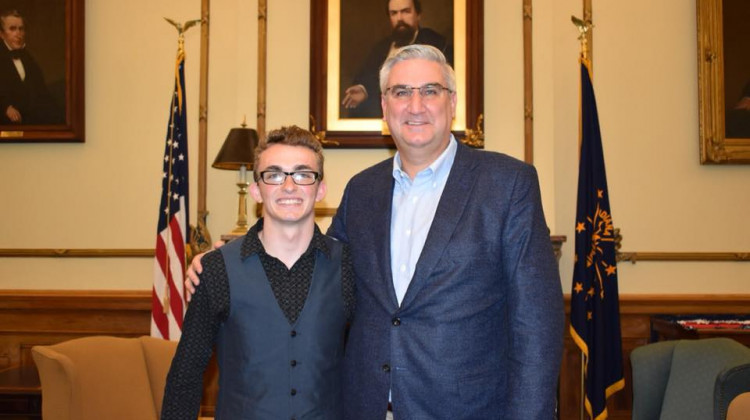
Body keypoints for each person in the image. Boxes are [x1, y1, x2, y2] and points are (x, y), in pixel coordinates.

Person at [188, 45, 563, 419]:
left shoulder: (508, 184)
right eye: (401, 92)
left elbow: (537, 326)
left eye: (430, 91)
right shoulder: (363, 190)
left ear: (452, 103)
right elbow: (314, 265)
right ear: (385, 108)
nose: (415, 106)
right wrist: (229, 260)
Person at [162, 125, 355, 419]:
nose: (289, 186)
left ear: (320, 189)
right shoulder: (216, 269)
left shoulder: (350, 266)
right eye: (274, 175)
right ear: (256, 190)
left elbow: (371, 358)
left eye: (303, 174)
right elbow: (185, 375)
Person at [341, 0, 453, 118]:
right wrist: (364, 89)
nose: (399, 18)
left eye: (405, 12)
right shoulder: (381, 48)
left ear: (418, 15)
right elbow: (369, 77)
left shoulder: (437, 44)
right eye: (394, 13)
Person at [0, 9, 61, 125]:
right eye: (12, 29)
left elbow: (41, 91)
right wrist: (5, 108)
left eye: (21, 29)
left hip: (29, 118)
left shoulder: (27, 58)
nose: (18, 34)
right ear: (2, 34)